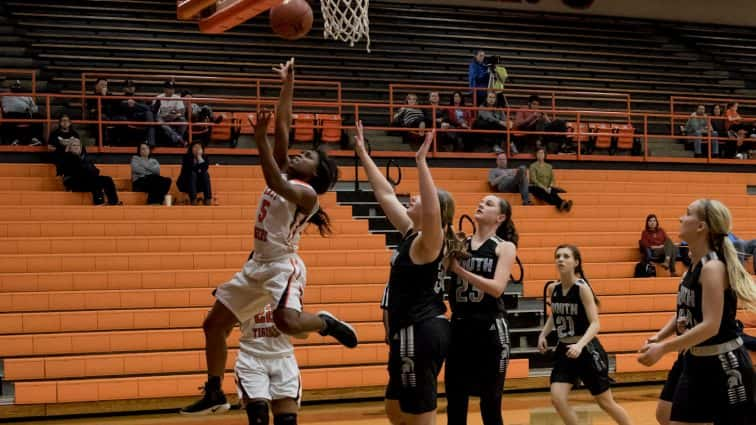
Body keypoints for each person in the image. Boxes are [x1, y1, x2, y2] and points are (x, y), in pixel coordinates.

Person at [180, 58, 356, 416]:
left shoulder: (306, 195)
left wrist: (258, 138)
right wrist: (288, 83)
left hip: (282, 266)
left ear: (315, 173)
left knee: (287, 323)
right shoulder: (288, 171)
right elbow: (285, 124)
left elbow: (273, 180)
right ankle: (215, 391)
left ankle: (325, 322)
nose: (297, 154)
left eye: (306, 156)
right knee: (213, 325)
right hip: (257, 264)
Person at [355, 122, 454, 425]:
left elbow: (433, 212)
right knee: (395, 409)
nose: (411, 198)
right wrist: (362, 153)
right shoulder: (412, 233)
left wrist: (421, 162)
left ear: (433, 211)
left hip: (421, 330)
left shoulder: (430, 242)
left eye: (420, 197)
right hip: (408, 331)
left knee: (418, 414)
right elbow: (385, 194)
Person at [639, 199, 756, 424]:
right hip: (696, 360)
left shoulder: (713, 268)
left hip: (725, 364)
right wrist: (658, 337)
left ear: (701, 226)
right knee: (665, 416)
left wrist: (663, 348)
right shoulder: (693, 266)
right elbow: (684, 311)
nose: (680, 218)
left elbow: (711, 326)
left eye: (687, 214)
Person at [538, 245, 633, 425]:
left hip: (587, 351)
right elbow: (556, 315)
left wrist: (579, 345)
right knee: (557, 399)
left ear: (576, 262)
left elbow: (596, 323)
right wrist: (543, 334)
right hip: (565, 352)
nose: (560, 259)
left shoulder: (581, 288)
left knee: (605, 402)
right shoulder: (553, 288)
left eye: (566, 256)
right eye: (558, 256)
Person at [444, 195, 517, 425]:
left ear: (500, 217)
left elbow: (496, 289)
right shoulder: (460, 244)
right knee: (455, 401)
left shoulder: (504, 247)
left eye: (489, 204)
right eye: (481, 202)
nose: (481, 205)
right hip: (459, 326)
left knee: (490, 403)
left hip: (490, 327)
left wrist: (459, 270)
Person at [235, 303, 301, 425]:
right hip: (251, 358)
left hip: (283, 358)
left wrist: (286, 327)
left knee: (287, 420)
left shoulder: (288, 292)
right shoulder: (241, 289)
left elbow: (303, 334)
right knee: (258, 415)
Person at [59, 139, 120, 206]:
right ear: (69, 147)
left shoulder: (84, 158)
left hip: (86, 179)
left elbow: (96, 171)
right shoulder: (67, 157)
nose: (76, 147)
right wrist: (89, 169)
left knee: (107, 179)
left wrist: (89, 170)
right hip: (73, 181)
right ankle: (99, 202)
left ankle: (113, 201)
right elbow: (78, 171)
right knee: (94, 180)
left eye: (78, 145)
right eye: (74, 145)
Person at [528, 147, 572, 212]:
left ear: (545, 155)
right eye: (539, 153)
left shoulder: (549, 166)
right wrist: (544, 188)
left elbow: (552, 178)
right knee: (544, 192)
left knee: (552, 191)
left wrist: (550, 186)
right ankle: (563, 204)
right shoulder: (533, 166)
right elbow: (534, 180)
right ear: (536, 155)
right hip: (536, 187)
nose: (540, 154)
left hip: (547, 187)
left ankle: (562, 204)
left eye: (542, 153)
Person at [1, 80, 43, 146]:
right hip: (12, 115)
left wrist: (30, 109)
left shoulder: (27, 96)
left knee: (38, 116)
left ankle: (34, 139)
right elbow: (4, 108)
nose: (17, 87)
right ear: (12, 87)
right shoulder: (6, 96)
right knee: (7, 118)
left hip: (24, 114)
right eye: (16, 85)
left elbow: (34, 108)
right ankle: (12, 140)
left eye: (18, 86)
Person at [153, 80, 187, 146]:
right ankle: (179, 139)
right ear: (164, 89)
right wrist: (164, 115)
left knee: (183, 121)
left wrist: (176, 115)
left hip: (173, 117)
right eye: (169, 89)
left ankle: (177, 138)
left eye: (173, 89)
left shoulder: (177, 97)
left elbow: (182, 111)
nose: (171, 90)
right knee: (158, 119)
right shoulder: (158, 97)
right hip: (162, 118)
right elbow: (155, 112)